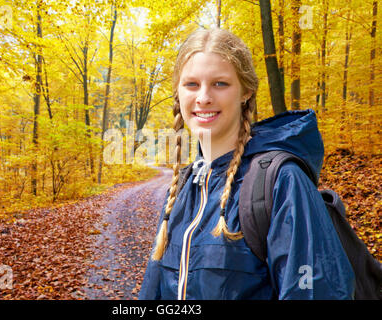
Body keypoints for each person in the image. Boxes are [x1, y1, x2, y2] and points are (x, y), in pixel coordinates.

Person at [139, 28, 355, 300]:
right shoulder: (183, 188)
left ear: (246, 91)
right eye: (191, 84)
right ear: (178, 92)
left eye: (220, 84)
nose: (203, 97)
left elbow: (317, 292)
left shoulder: (280, 181)